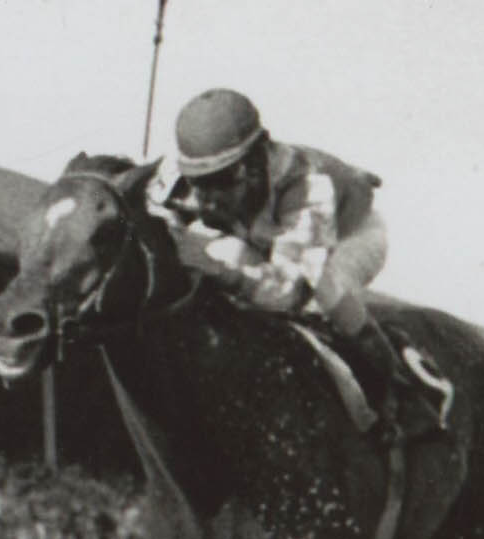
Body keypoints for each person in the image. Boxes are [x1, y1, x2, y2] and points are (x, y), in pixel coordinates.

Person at [148, 88, 446, 436]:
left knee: (323, 300)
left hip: (352, 233)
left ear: (258, 157)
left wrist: (222, 273)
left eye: (224, 180)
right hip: (268, 234)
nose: (210, 197)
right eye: (200, 183)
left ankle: (402, 394)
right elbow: (148, 213)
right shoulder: (182, 174)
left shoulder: (309, 187)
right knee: (225, 255)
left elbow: (291, 292)